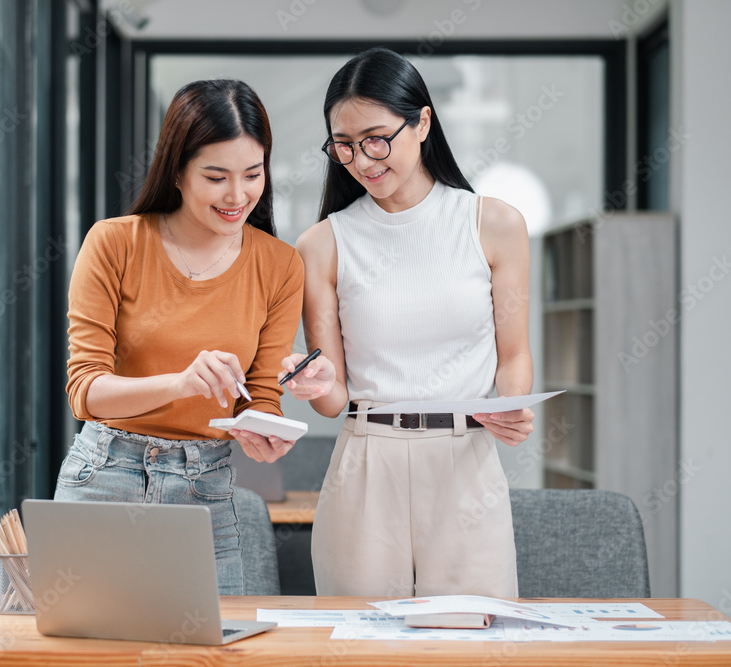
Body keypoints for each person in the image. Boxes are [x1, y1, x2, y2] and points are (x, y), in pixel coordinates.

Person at [280, 47, 534, 598]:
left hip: (467, 465)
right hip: (366, 466)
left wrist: (512, 403)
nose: (362, 161)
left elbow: (513, 356)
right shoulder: (321, 245)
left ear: (422, 122)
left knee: (475, 643)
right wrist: (317, 386)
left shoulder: (494, 225)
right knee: (359, 646)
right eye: (343, 146)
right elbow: (333, 397)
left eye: (376, 139)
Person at [57, 79, 303, 595]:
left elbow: (260, 396)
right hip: (105, 477)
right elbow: (85, 392)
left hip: (206, 489)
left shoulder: (280, 266)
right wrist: (180, 383)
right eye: (216, 177)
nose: (238, 196)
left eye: (253, 174)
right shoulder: (114, 243)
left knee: (212, 651)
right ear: (177, 170)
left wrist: (264, 433)